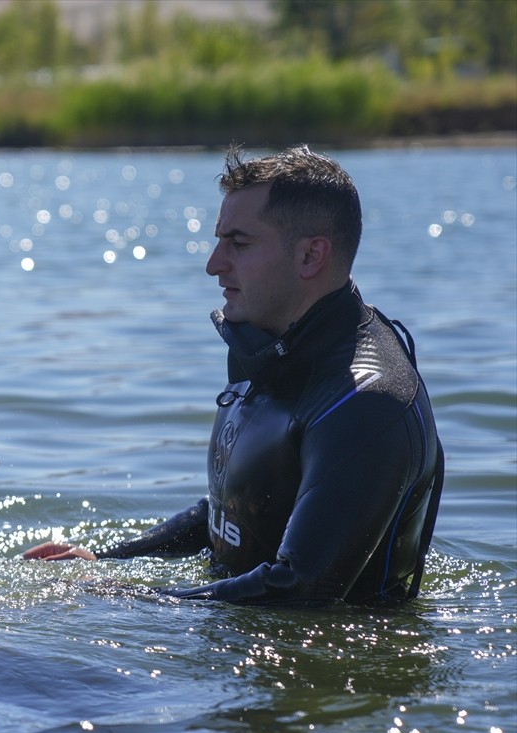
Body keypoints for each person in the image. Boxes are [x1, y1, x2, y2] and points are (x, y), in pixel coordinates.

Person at [24, 145, 444, 606]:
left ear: (310, 256)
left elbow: (301, 589)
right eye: (219, 239)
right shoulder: (268, 344)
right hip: (241, 648)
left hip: (339, 665)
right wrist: (105, 561)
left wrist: (126, 598)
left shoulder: (367, 404)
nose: (213, 264)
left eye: (238, 244)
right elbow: (240, 508)